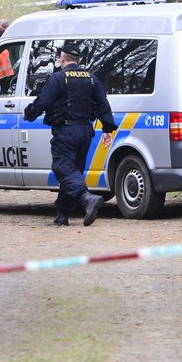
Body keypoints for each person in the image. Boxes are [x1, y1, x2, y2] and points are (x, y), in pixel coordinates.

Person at [23, 43, 117, 227]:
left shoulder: (58, 78)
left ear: (62, 59)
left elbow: (45, 101)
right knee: (73, 171)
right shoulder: (91, 78)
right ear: (79, 60)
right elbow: (103, 103)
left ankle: (86, 198)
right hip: (85, 131)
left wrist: (29, 113)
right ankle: (62, 214)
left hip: (66, 131)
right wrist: (107, 129)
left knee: (62, 167)